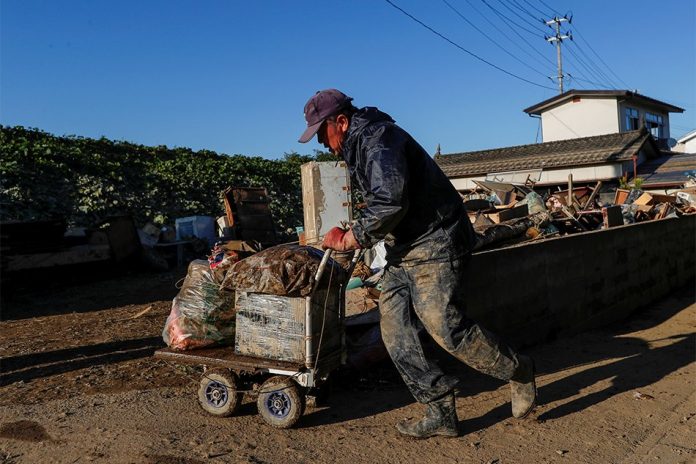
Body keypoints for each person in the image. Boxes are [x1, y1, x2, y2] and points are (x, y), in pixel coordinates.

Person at [298, 89, 537, 439]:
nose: (321, 141)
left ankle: (518, 369)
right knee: (395, 331)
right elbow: (387, 202)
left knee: (445, 327)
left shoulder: (378, 140)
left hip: (436, 241)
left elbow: (391, 201)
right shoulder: (359, 145)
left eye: (322, 132)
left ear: (342, 122)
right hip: (404, 249)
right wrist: (356, 228)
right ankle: (439, 408)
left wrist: (353, 238)